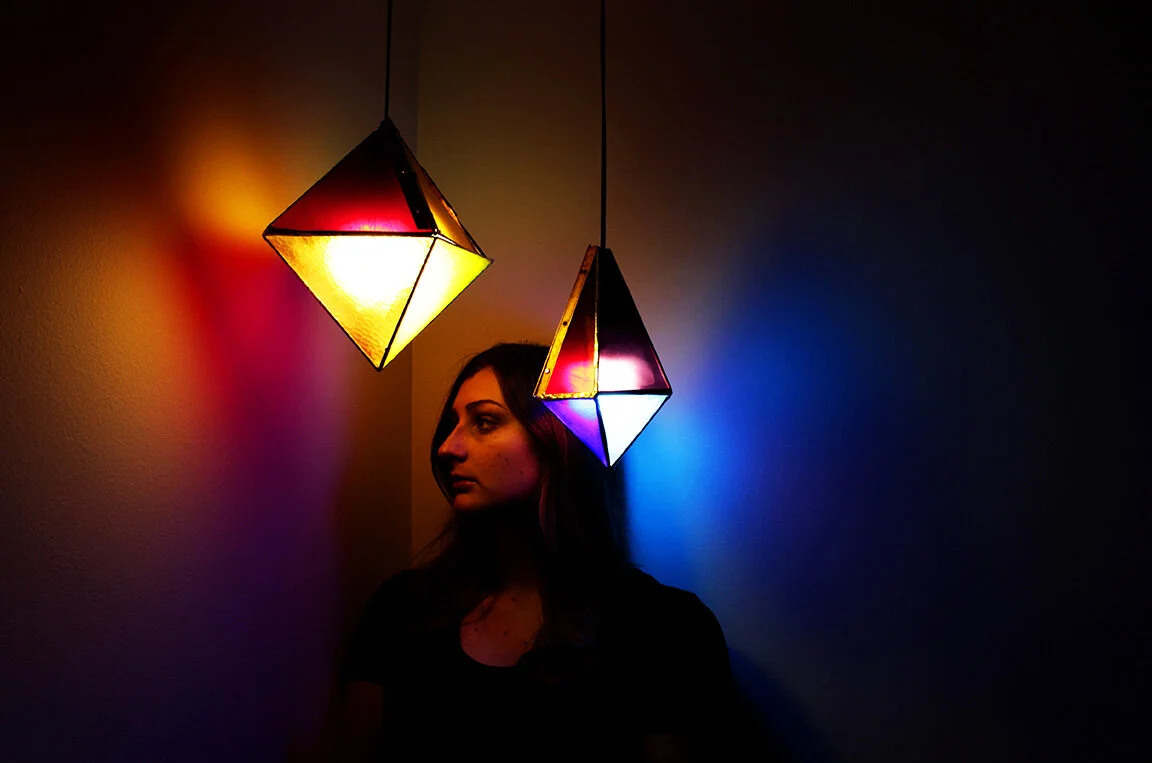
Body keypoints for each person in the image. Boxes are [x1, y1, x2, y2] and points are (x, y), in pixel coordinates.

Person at [336, 343, 742, 762]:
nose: (447, 448)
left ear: (557, 437)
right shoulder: (402, 608)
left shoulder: (664, 628)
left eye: (484, 422)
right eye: (453, 424)